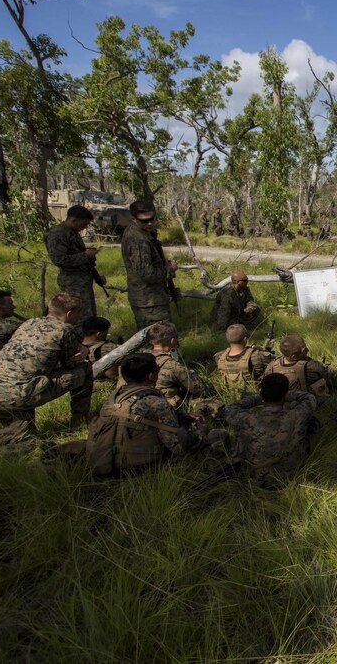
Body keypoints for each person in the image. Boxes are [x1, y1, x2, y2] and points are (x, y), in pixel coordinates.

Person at [0, 292, 93, 448]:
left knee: (20, 444)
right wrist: (84, 350)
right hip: (18, 396)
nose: (79, 318)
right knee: (84, 369)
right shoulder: (65, 330)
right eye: (79, 314)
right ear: (69, 314)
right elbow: (71, 363)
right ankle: (80, 421)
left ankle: (6, 431)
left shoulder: (29, 323)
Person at [87, 353, 206, 476]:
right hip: (139, 468)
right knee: (217, 436)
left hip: (107, 461)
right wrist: (200, 432)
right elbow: (179, 447)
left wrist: (183, 417)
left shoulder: (114, 397)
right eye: (156, 370)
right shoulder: (155, 402)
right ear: (151, 376)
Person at [218, 373, 318, 487]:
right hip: (291, 476)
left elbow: (230, 409)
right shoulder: (298, 414)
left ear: (262, 393)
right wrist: (285, 394)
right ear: (284, 395)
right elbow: (309, 398)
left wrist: (257, 397)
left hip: (255, 479)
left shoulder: (247, 419)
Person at [124, 321, 215, 409]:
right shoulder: (172, 365)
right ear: (172, 340)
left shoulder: (135, 359)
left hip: (131, 404)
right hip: (160, 408)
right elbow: (200, 390)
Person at [121, 201, 178, 329]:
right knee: (160, 339)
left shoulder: (144, 233)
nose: (150, 223)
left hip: (152, 298)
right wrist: (170, 270)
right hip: (149, 301)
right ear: (134, 219)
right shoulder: (137, 239)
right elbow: (147, 274)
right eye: (144, 221)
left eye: (152, 219)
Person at [45, 205, 102, 320]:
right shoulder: (57, 234)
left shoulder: (73, 231)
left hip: (83, 281)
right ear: (73, 220)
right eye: (83, 224)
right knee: (79, 316)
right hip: (72, 283)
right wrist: (85, 255)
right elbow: (59, 260)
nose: (85, 227)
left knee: (89, 314)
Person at [263, 335, 337, 397]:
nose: (307, 350)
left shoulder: (271, 366)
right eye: (304, 350)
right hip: (305, 402)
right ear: (294, 357)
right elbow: (334, 376)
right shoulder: (311, 366)